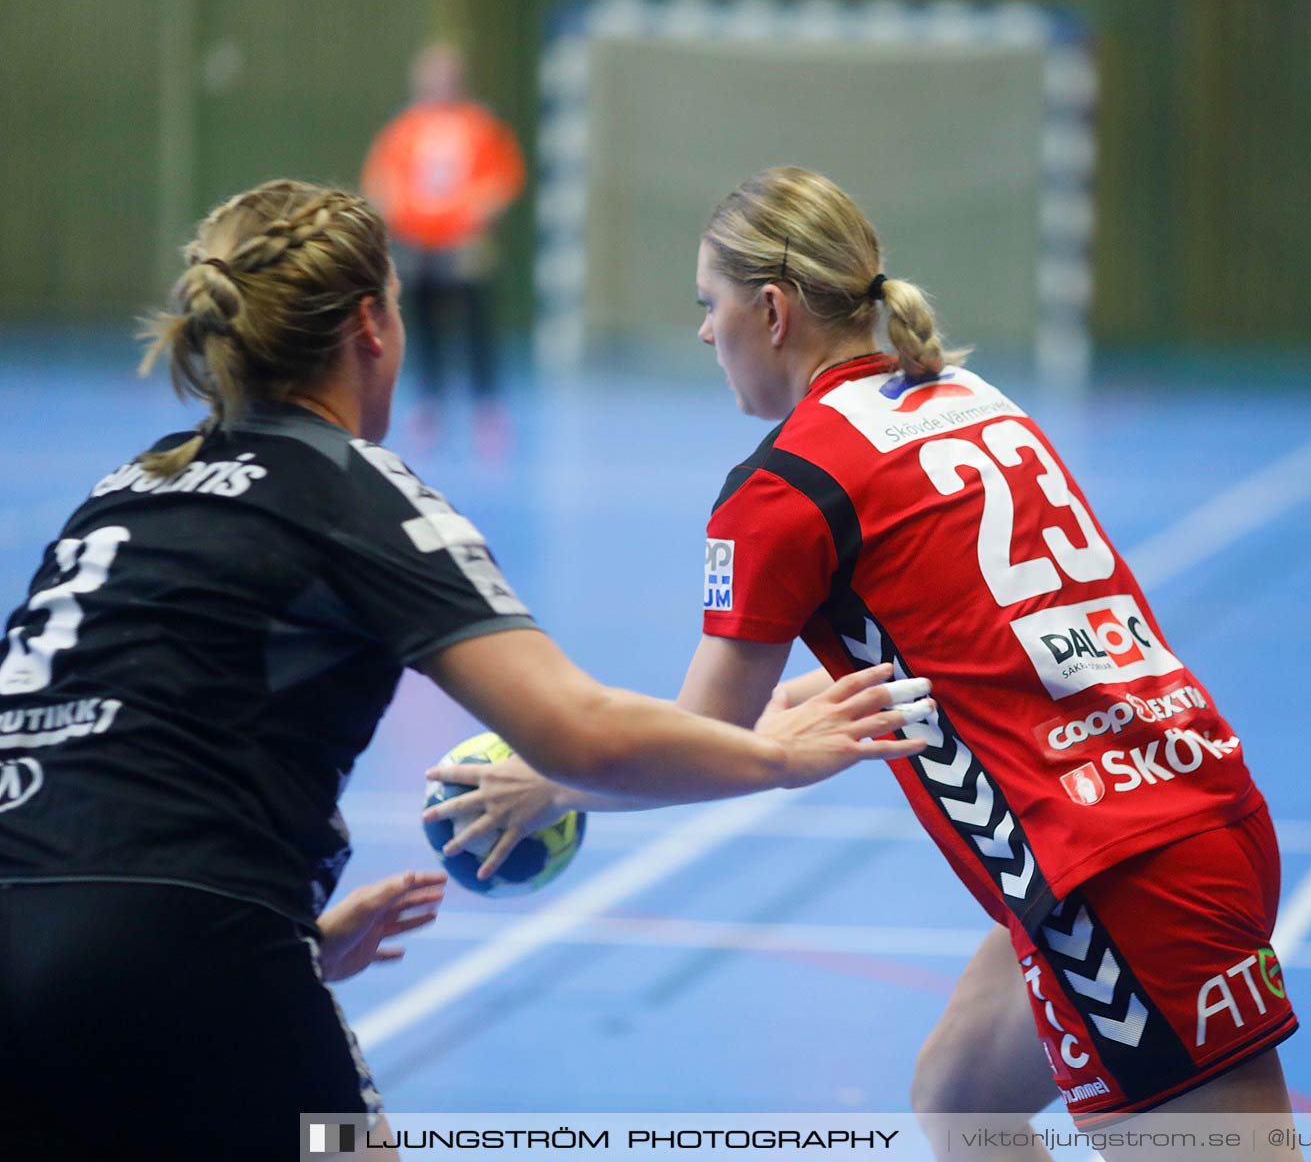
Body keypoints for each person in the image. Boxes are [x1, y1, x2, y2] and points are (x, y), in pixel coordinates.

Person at [0, 179, 931, 1160]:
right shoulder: (351, 487)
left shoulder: (128, 488)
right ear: (371, 325)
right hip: (192, 936)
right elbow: (579, 730)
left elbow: (93, 764)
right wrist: (774, 754)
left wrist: (299, 944)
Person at [426, 167, 1301, 1160]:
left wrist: (550, 784)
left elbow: (696, 745)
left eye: (709, 307)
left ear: (771, 309)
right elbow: (940, 659)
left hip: (1115, 880)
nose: (706, 334)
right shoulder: (964, 396)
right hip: (1185, 803)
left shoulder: (788, 483)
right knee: (960, 1099)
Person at [362, 42, 524, 454]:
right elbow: (381, 178)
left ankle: (486, 409)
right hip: (417, 243)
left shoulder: (480, 124)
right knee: (423, 326)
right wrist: (397, 216)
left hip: (463, 242)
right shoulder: (405, 127)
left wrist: (476, 215)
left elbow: (502, 178)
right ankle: (429, 406)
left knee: (475, 327)